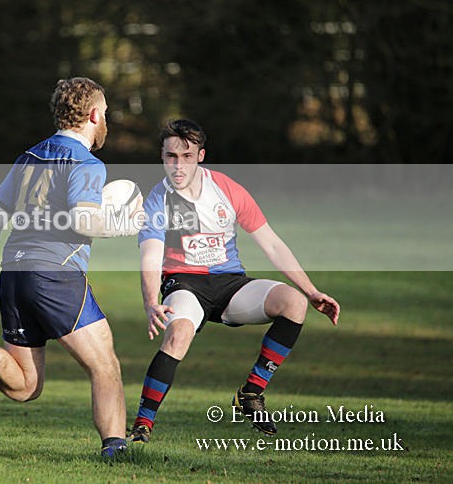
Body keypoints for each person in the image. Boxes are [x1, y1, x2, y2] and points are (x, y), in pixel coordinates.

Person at [0, 77, 144, 459]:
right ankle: (116, 449)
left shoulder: (28, 157)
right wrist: (124, 225)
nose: (106, 119)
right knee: (105, 364)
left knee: (25, 385)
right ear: (93, 115)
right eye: (105, 113)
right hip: (55, 275)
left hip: (14, 274)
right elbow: (84, 220)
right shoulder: (87, 164)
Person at [127, 119, 340, 443]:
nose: (178, 164)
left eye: (186, 155)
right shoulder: (158, 200)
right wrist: (150, 302)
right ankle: (142, 426)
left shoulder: (227, 189)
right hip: (184, 284)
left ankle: (251, 392)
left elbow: (270, 243)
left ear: (201, 155)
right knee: (179, 333)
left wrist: (310, 291)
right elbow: (150, 256)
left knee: (293, 302)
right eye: (171, 156)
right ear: (162, 155)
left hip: (229, 283)